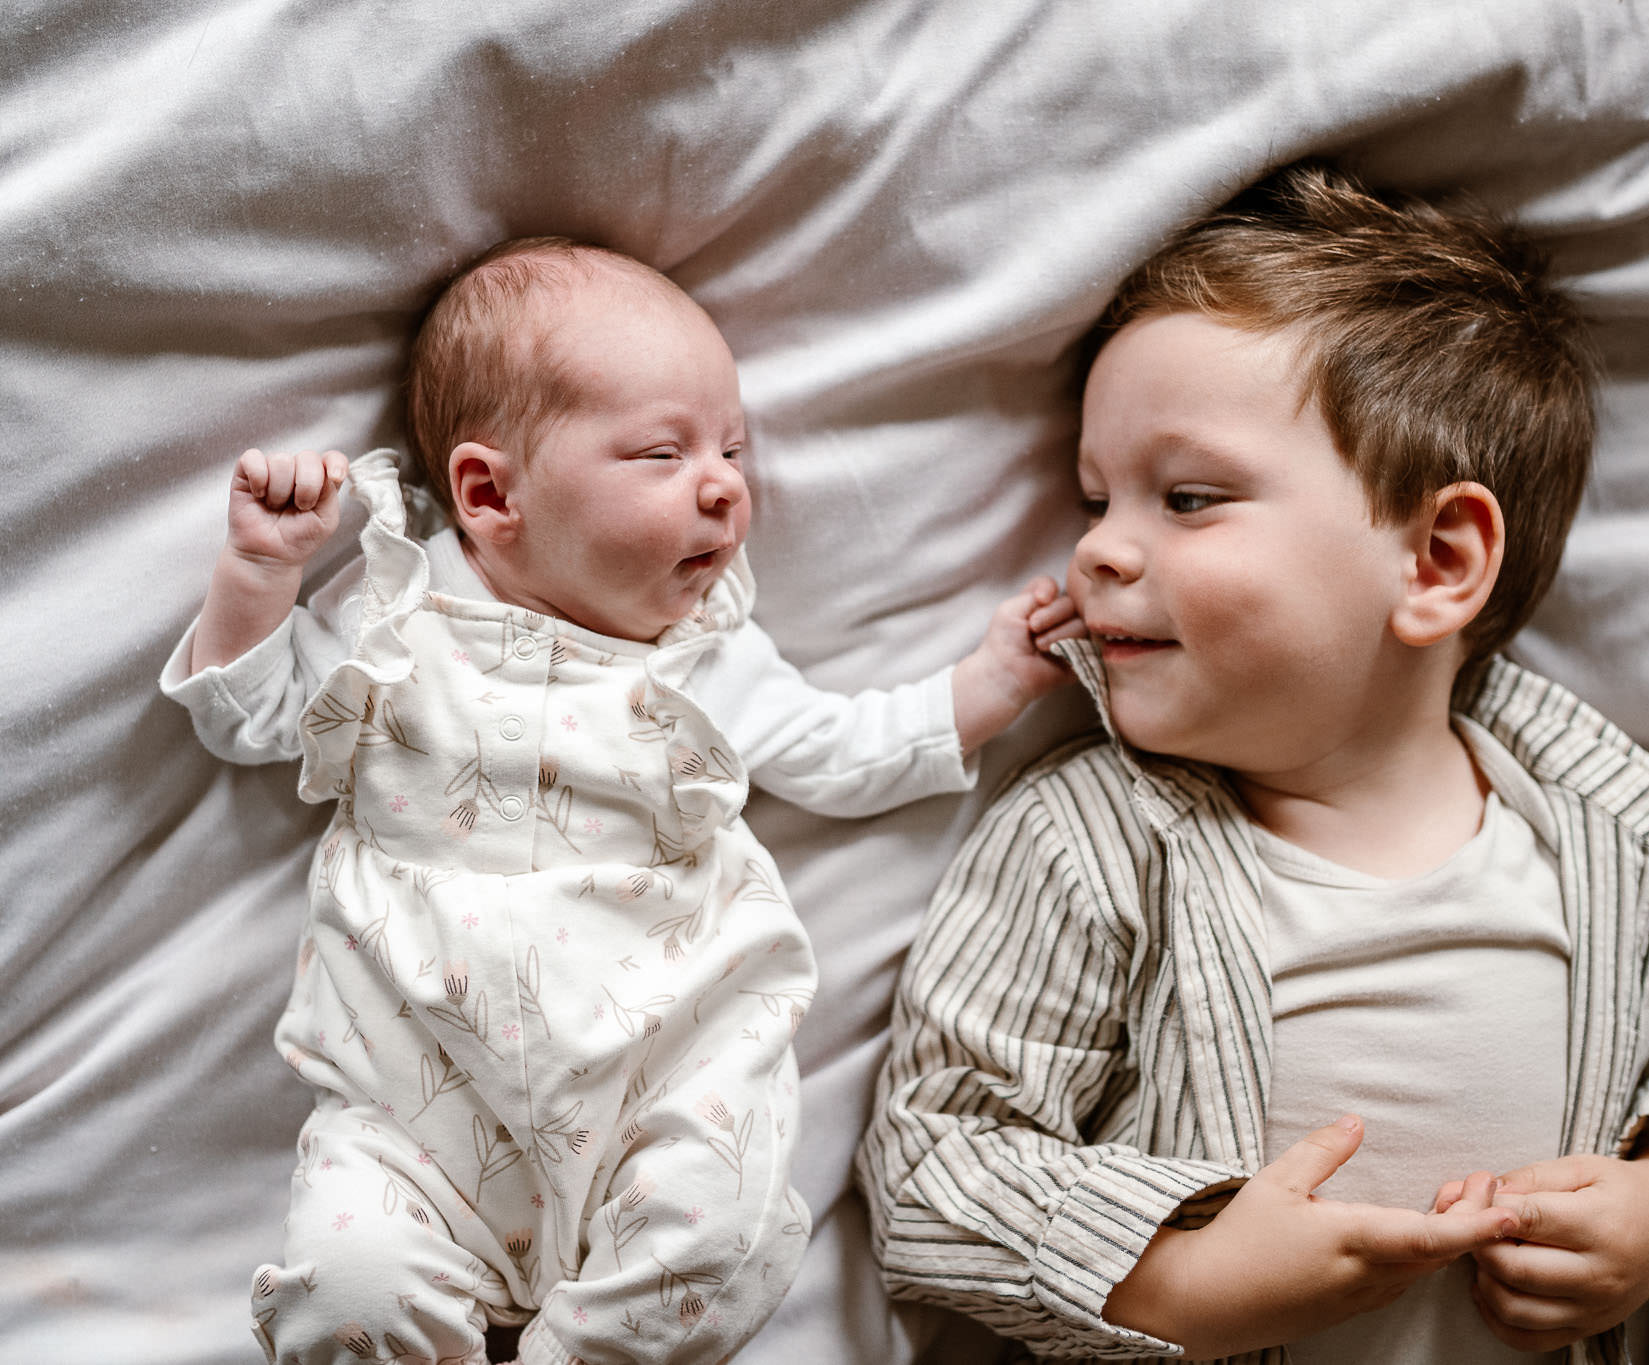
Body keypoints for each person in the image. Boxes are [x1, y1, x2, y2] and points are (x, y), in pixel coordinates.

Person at [858, 162, 1649, 1365]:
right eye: (1095, 499)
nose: (1097, 552)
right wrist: (1179, 1281)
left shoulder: (1613, 839)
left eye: (1187, 497)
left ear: (1436, 561)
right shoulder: (1085, 848)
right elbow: (938, 1154)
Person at [161, 236, 1080, 1365]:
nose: (724, 484)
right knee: (347, 1293)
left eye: (732, 449)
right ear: (489, 493)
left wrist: (988, 686)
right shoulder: (397, 619)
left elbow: (840, 748)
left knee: (725, 1240)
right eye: (663, 452)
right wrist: (261, 574)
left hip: (659, 1086)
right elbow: (249, 716)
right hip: (416, 1120)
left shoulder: (699, 661)